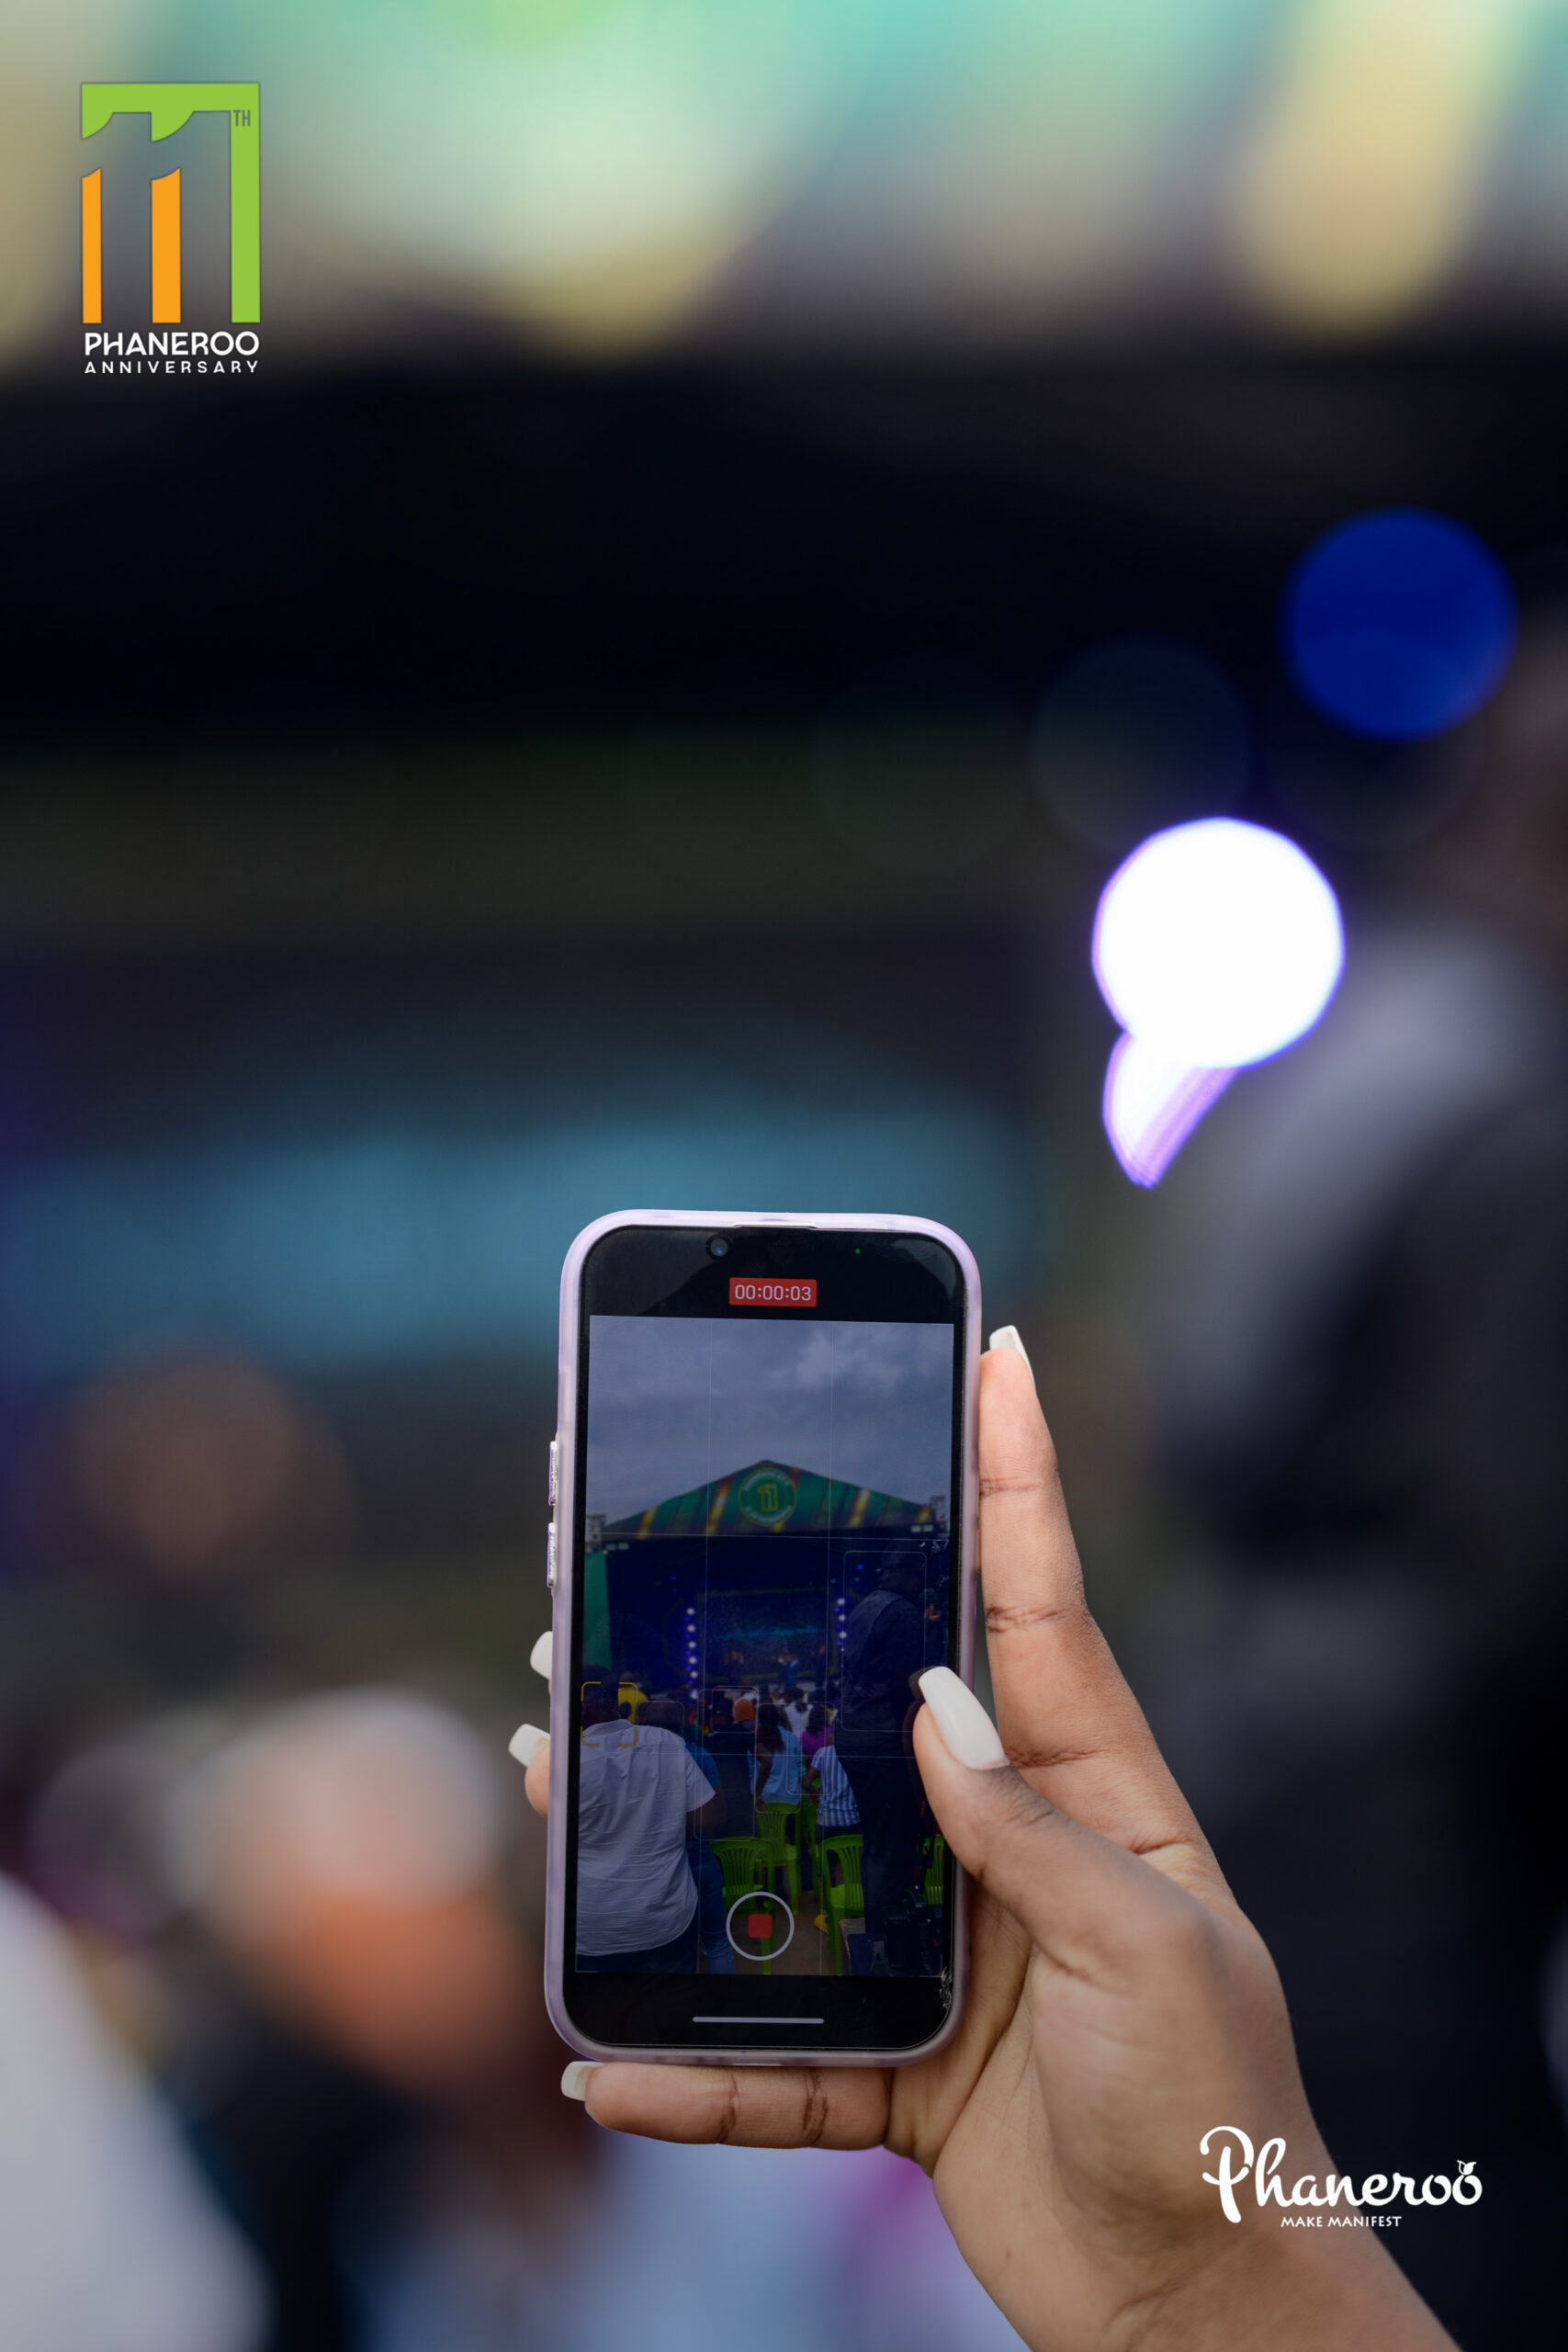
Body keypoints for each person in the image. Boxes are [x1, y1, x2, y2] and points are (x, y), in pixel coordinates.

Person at [513, 1336, 1456, 2352]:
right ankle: (866, 1939)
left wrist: (1197, 2282)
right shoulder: (867, 1657)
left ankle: (843, 1937)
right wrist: (1202, 2287)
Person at [576, 1668, 722, 1971]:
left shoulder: (564, 1759)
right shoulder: (667, 1743)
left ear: (584, 1707)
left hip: (593, 1926)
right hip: (665, 1918)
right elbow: (708, 1819)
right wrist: (663, 1828)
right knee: (670, 2001)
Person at [834, 1552, 928, 1955]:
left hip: (854, 1734)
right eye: (919, 1573)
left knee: (878, 1837)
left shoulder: (867, 1605)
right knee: (893, 1841)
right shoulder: (902, 1613)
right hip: (882, 1739)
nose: (922, 1582)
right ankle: (891, 1941)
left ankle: (879, 1930)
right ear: (905, 1572)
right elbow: (916, 1683)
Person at [642, 1698, 733, 1975]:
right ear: (682, 1724)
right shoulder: (699, 1755)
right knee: (717, 1942)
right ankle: (724, 2002)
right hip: (700, 1859)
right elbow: (718, 1813)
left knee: (669, 1949)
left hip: (657, 1869)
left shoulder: (636, 1761)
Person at [807, 1726, 859, 1832]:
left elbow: (805, 1783)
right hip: (851, 1820)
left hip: (826, 1820)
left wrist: (815, 1793)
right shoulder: (857, 1754)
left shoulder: (822, 1753)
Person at [750, 1702, 802, 1805]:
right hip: (790, 1799)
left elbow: (750, 1772)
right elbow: (799, 1769)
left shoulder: (754, 1740)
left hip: (761, 1798)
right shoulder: (792, 1738)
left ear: (759, 1719)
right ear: (778, 1718)